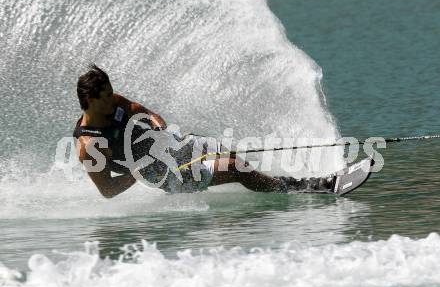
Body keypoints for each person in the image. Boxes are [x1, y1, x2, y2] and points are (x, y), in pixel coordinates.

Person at [73, 64, 334, 198]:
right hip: (165, 174)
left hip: (174, 146)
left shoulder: (109, 100)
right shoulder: (90, 146)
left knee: (228, 154)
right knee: (233, 167)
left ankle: (283, 183)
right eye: (107, 95)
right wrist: (136, 172)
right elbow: (107, 191)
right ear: (91, 100)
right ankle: (299, 189)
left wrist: (156, 122)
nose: (113, 97)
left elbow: (137, 108)